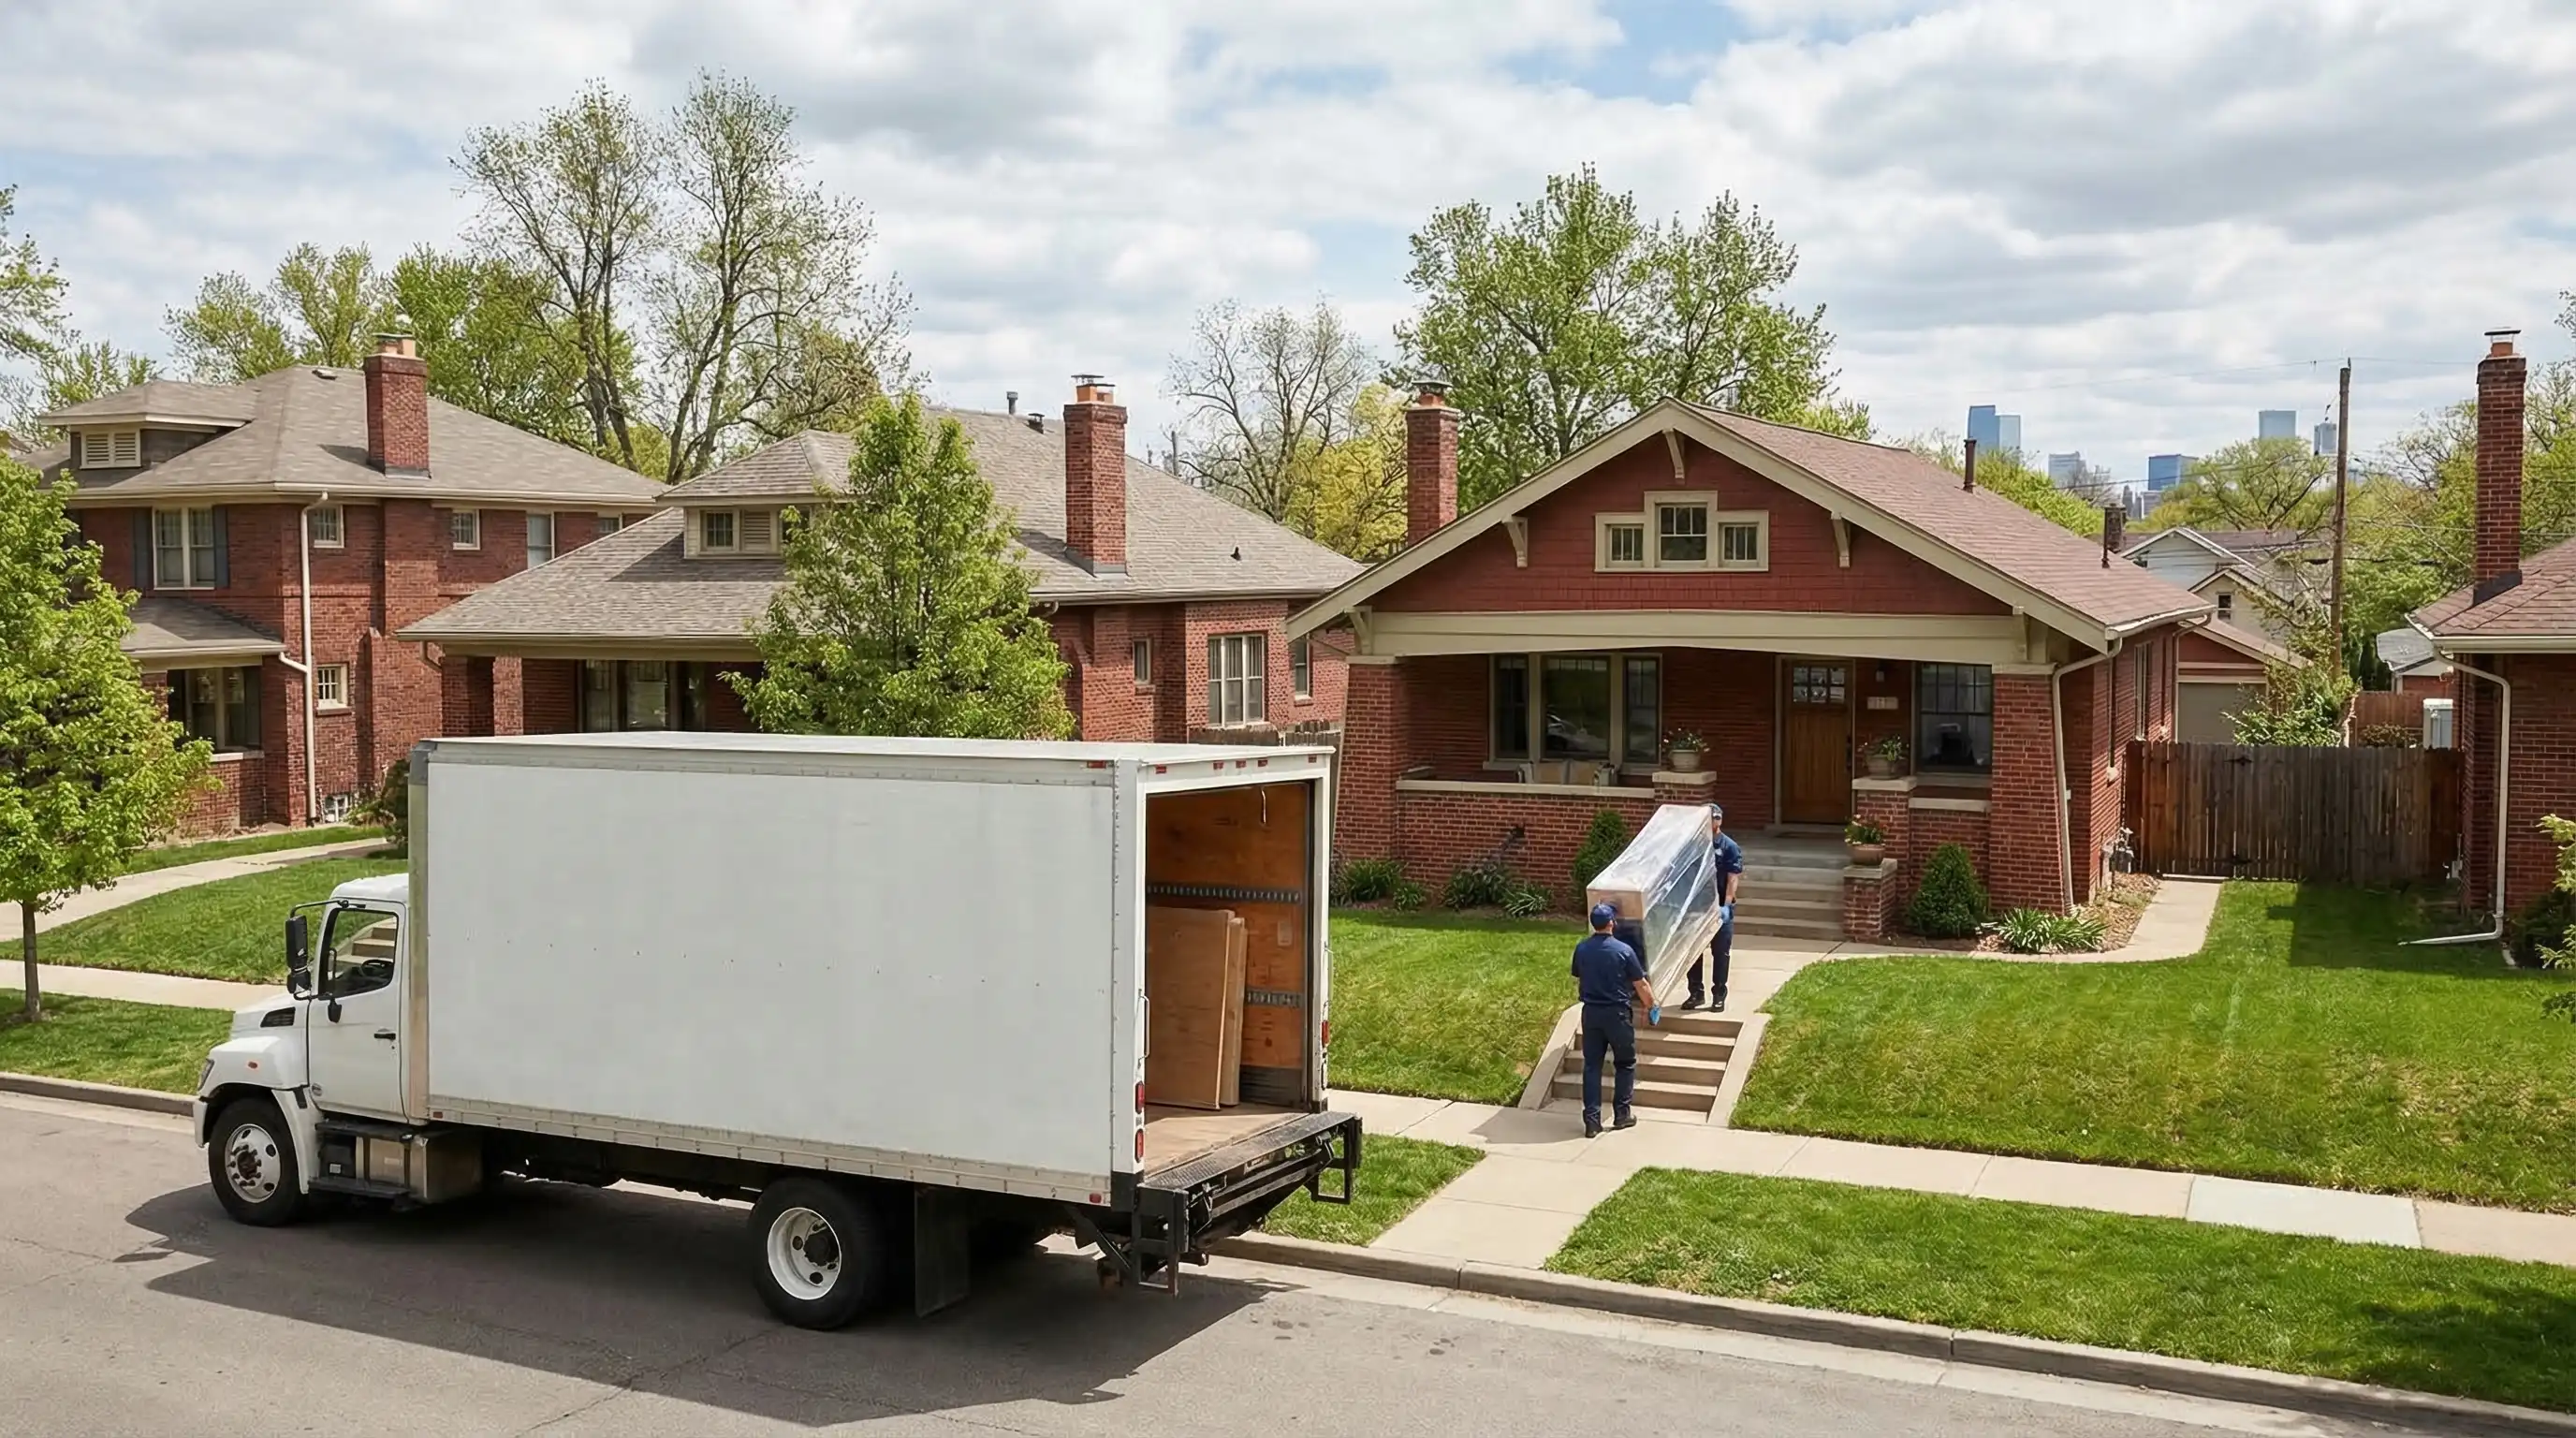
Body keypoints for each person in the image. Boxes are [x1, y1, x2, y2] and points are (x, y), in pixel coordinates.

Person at [1571, 902, 1658, 1137]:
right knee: (1625, 1063)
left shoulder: (1582, 949)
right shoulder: (1624, 950)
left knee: (1592, 1066)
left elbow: (1577, 973)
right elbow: (1640, 983)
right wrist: (1652, 1006)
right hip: (1617, 1015)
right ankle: (1621, 1115)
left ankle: (1591, 1122)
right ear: (1612, 923)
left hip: (1591, 1014)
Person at [1684, 803, 1743, 1011]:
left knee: (1720, 953)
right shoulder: (1694, 847)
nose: (1714, 822)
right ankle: (1695, 993)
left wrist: (1726, 905)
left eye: (1717, 818)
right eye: (1711, 819)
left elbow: (1732, 878)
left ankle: (1719, 994)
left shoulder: (1729, 847)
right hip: (1697, 908)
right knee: (1693, 953)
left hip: (1719, 908)